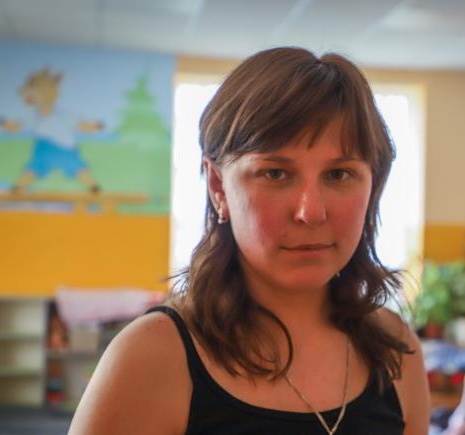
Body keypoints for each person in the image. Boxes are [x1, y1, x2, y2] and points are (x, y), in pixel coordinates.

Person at [68, 47, 429, 435]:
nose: (311, 212)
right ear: (218, 186)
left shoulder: (395, 349)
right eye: (275, 174)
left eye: (339, 174)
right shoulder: (152, 356)